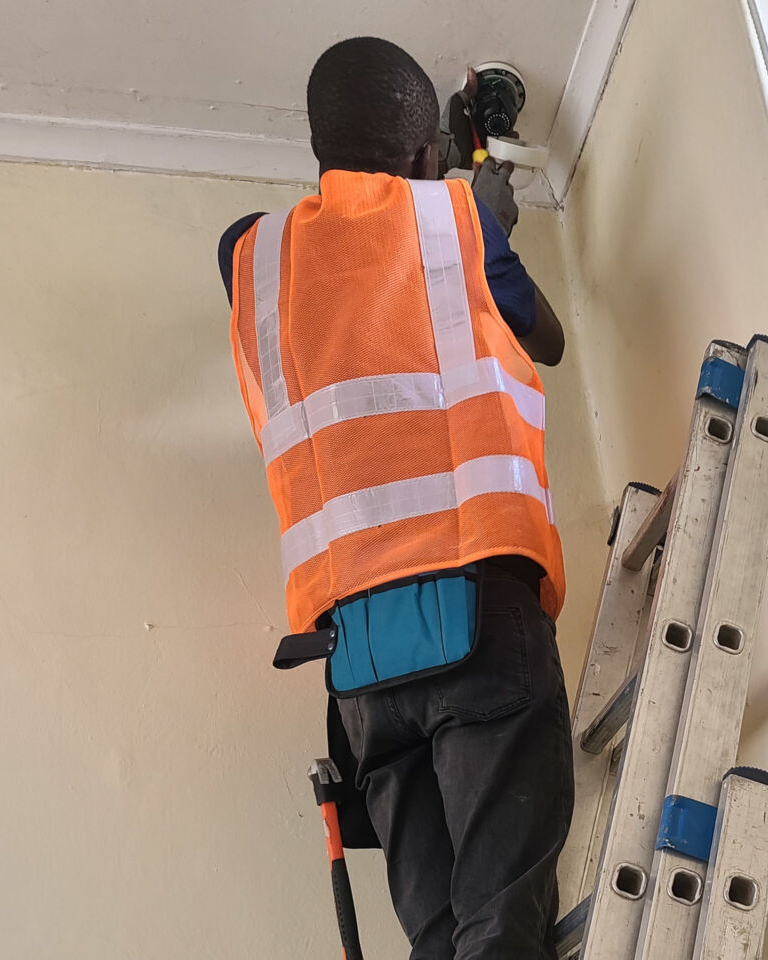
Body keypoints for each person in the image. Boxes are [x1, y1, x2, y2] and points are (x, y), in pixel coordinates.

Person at [218, 36, 573, 960]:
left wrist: (436, 187)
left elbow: (350, 247)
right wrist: (473, 206)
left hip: (362, 666)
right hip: (477, 619)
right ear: (425, 160)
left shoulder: (251, 260)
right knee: (502, 927)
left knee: (440, 936)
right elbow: (549, 338)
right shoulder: (457, 224)